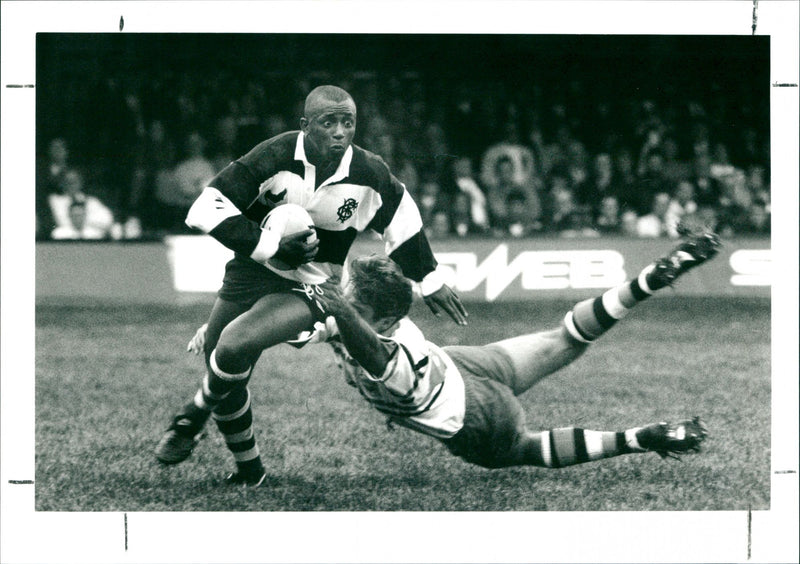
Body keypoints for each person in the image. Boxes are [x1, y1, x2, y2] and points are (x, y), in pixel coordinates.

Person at [155, 85, 467, 485]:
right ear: (305, 126)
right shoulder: (274, 155)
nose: (340, 132)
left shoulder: (369, 172)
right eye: (328, 122)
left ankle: (191, 415)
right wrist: (269, 245)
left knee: (233, 347)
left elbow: (402, 219)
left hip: (315, 283)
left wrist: (429, 276)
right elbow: (204, 209)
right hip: (252, 270)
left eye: (348, 122)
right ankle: (250, 473)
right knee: (222, 366)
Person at [302, 225, 719, 471]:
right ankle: (649, 279)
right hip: (464, 363)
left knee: (525, 447)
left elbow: (368, 347)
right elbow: (321, 321)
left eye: (353, 306)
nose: (345, 310)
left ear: (386, 321)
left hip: (472, 415)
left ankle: (640, 438)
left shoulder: (388, 353)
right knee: (565, 338)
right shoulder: (373, 318)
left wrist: (334, 307)